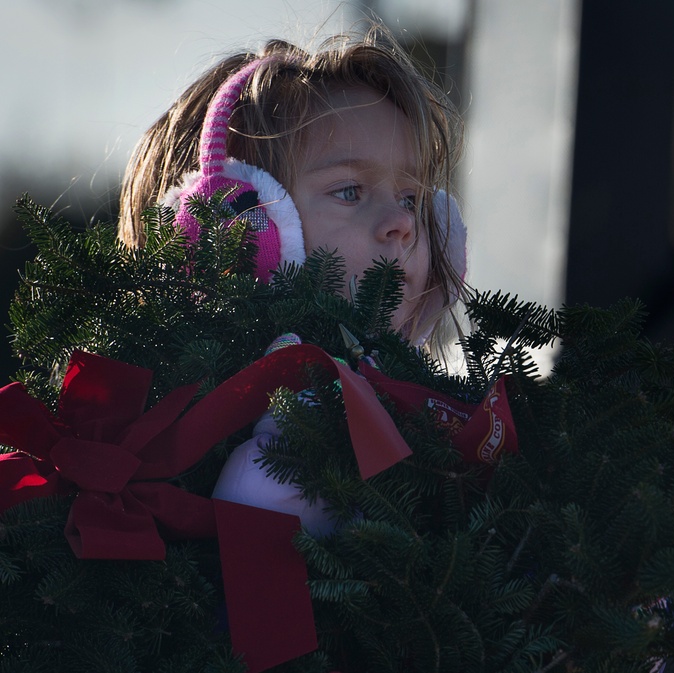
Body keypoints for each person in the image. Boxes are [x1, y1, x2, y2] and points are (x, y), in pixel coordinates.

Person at [117, 27, 468, 534]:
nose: (403, 222)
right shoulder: (165, 435)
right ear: (235, 227)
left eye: (411, 198)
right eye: (350, 191)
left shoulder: (442, 416)